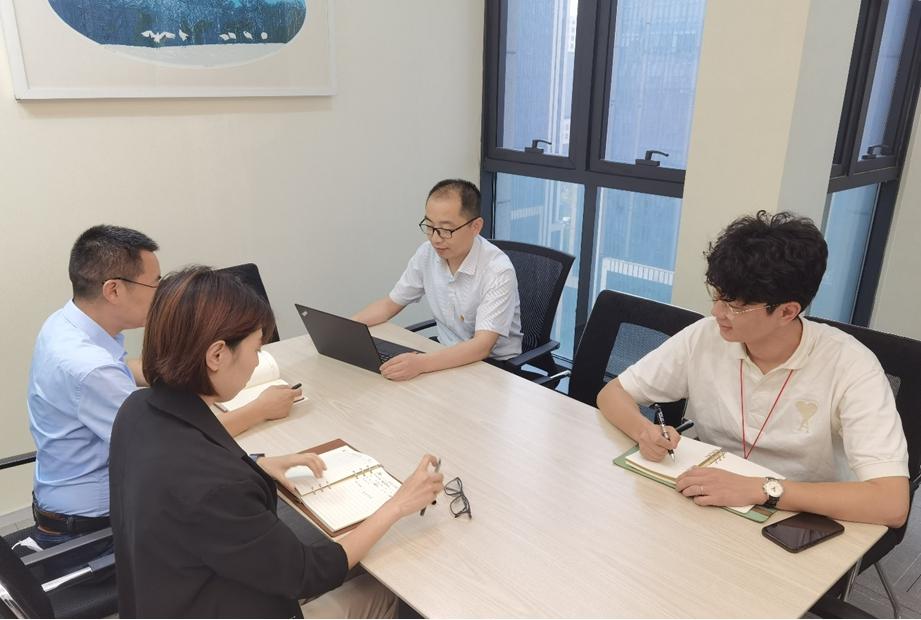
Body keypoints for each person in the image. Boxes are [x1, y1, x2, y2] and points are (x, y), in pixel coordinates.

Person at [109, 266, 444, 618]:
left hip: (167, 595)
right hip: (231, 604)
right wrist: (397, 504)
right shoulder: (218, 487)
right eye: (256, 348)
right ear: (217, 355)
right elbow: (308, 573)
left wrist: (256, 465)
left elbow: (184, 479)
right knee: (390, 591)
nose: (257, 361)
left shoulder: (136, 410)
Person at [598, 211, 909, 528]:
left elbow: (892, 503)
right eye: (717, 296)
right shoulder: (706, 337)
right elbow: (613, 393)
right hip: (711, 500)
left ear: (787, 312)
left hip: (802, 516)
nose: (716, 312)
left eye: (734, 306)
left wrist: (762, 490)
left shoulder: (851, 365)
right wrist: (645, 432)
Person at [27, 225, 300, 550]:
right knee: (241, 513)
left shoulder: (66, 324)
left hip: (66, 493)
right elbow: (177, 446)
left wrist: (182, 365)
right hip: (93, 530)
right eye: (154, 283)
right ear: (114, 290)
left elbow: (124, 368)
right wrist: (259, 411)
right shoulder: (90, 368)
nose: (159, 293)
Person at [354, 179, 523, 380]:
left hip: (493, 366)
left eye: (446, 230)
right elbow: (389, 304)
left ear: (475, 226)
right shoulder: (427, 253)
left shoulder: (498, 270)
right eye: (429, 226)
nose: (435, 239)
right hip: (443, 353)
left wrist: (421, 364)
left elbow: (482, 346)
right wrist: (343, 330)